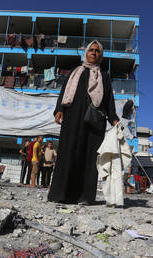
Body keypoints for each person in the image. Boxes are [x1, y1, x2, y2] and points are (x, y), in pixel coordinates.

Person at [47, 40, 119, 205]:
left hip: (94, 123)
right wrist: (59, 109)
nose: (93, 53)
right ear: (86, 53)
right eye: (91, 50)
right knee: (68, 153)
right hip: (72, 118)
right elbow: (65, 91)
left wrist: (113, 119)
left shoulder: (104, 76)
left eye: (97, 51)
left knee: (89, 157)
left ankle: (85, 197)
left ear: (101, 55)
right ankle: (61, 194)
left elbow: (109, 100)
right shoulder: (75, 72)